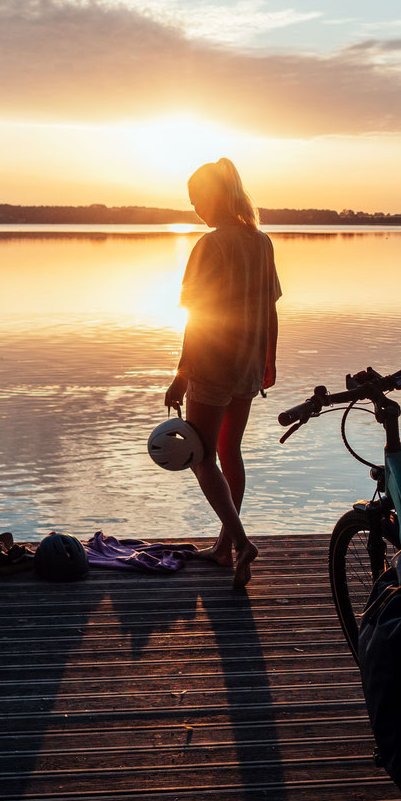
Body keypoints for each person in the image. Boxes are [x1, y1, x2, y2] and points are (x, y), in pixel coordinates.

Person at [163, 158, 279, 590]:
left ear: (214, 197)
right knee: (230, 452)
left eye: (197, 199)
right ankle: (225, 546)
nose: (195, 208)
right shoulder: (261, 242)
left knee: (200, 456)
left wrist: (181, 371)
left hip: (212, 363)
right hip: (248, 362)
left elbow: (198, 316)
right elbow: (270, 307)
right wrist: (269, 358)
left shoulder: (209, 246)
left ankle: (241, 542)